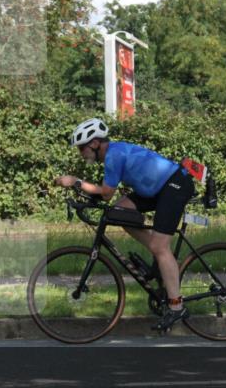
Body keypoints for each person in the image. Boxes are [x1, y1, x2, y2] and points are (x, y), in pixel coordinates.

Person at [54, 118, 196, 331]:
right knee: (120, 212)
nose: (81, 153)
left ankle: (177, 307)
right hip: (157, 188)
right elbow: (106, 197)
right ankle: (162, 260)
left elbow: (106, 193)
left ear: (95, 144)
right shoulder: (112, 153)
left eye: (82, 148)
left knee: (159, 246)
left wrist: (76, 182)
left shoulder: (113, 155)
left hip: (174, 185)